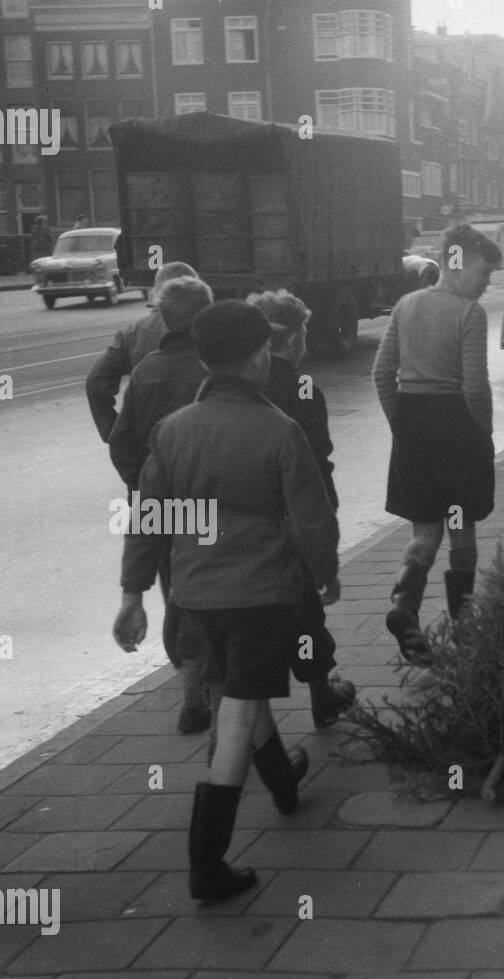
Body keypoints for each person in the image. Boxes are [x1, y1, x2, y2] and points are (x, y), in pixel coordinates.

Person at [113, 301, 339, 903]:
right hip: (260, 595)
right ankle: (207, 865)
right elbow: (312, 519)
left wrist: (134, 594)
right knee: (238, 711)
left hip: (193, 597)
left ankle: (285, 784)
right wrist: (326, 574)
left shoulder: (173, 430)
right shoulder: (279, 431)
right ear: (262, 357)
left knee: (237, 694)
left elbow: (148, 520)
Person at [372, 225, 502, 664]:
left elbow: (381, 373)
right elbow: (475, 388)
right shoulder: (469, 313)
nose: (486, 284)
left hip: (413, 427)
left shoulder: (406, 305)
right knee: (460, 527)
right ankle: (465, 631)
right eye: (484, 273)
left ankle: (403, 609)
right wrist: (482, 435)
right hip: (457, 432)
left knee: (425, 531)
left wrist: (401, 426)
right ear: (458, 261)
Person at [109, 275, 216, 734]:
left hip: (167, 500)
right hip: (216, 498)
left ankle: (193, 679)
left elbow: (121, 441)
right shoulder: (214, 367)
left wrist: (145, 481)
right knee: (220, 588)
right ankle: (212, 681)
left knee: (179, 591)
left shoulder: (148, 369)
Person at [248, 289, 357, 730]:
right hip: (293, 523)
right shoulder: (303, 386)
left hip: (247, 522)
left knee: (257, 619)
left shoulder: (244, 382)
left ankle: (252, 718)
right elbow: (317, 459)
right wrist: (325, 535)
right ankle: (320, 693)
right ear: (293, 339)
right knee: (305, 612)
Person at [86, 259, 198, 441]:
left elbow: (95, 382)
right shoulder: (208, 327)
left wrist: (114, 433)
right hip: (193, 440)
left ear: (155, 292)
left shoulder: (131, 333)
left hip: (147, 439)